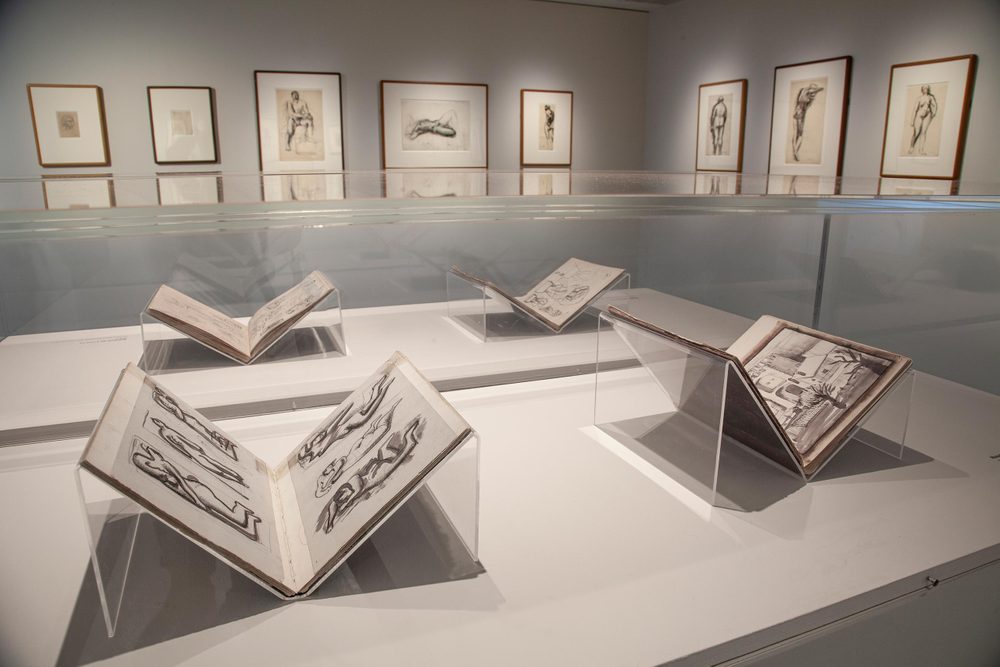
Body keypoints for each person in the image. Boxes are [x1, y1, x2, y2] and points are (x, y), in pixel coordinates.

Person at [791, 83, 824, 162]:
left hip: (796, 115)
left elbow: (812, 91)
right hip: (800, 117)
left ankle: (795, 151)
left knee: (795, 134)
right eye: (812, 92)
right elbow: (812, 92)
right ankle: (795, 152)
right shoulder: (806, 99)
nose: (813, 94)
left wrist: (815, 90)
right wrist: (816, 90)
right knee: (800, 136)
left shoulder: (803, 96)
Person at [908, 85, 938, 155]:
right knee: (916, 132)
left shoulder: (931, 97)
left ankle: (921, 150)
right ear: (922, 90)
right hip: (919, 115)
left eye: (927, 88)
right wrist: (912, 121)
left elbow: (934, 106)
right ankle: (911, 147)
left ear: (928, 89)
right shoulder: (919, 98)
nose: (926, 90)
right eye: (924, 88)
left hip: (927, 115)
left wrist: (933, 113)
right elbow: (915, 109)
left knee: (923, 132)